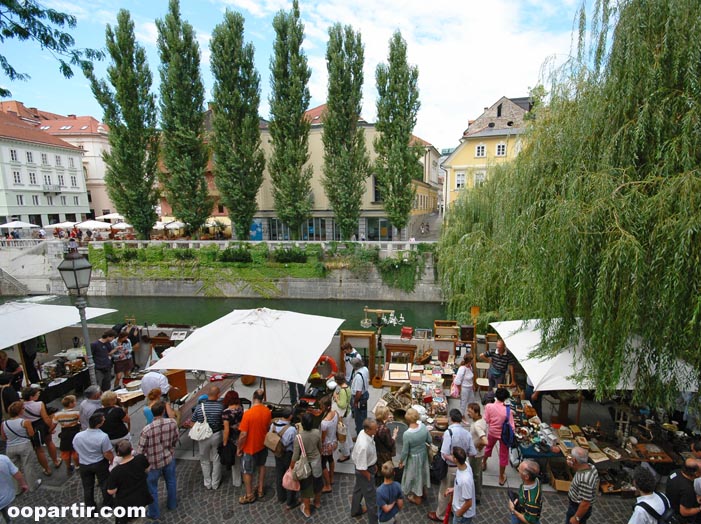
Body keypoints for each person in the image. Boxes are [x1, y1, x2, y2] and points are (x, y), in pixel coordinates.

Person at [430, 408, 477, 522]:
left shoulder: (449, 433)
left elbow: (444, 454)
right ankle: (452, 508)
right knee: (457, 490)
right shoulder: (467, 433)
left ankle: (440, 514)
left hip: (451, 467)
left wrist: (455, 459)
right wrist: (463, 457)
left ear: (451, 419)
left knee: (444, 491)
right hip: (463, 465)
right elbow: (473, 452)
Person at [136, 401, 178, 520]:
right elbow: (175, 439)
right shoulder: (172, 423)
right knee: (171, 481)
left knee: (152, 488)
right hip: (168, 458)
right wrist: (171, 449)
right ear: (163, 411)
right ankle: (172, 504)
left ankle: (154, 512)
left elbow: (140, 450)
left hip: (152, 463)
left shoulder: (147, 430)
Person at [237, 388, 272, 504]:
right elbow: (267, 427)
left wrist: (239, 448)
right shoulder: (267, 411)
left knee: (247, 471)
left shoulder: (248, 414)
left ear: (253, 398)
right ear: (262, 399)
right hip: (262, 445)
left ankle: (249, 494)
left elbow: (243, 435)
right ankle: (260, 489)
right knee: (261, 465)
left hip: (249, 448)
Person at [73, 412, 114, 508]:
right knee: (104, 484)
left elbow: (76, 449)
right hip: (99, 463)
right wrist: (112, 460)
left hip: (84, 464)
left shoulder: (78, 436)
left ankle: (90, 507)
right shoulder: (103, 437)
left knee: (87, 487)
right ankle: (108, 504)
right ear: (99, 424)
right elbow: (107, 453)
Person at [106, 440, 152, 524]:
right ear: (131, 449)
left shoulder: (116, 471)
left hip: (126, 504)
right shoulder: (141, 458)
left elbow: (111, 491)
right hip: (141, 497)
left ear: (118, 454)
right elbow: (147, 469)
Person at [20, 386, 61, 476]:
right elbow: (45, 417)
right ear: (31, 396)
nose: (38, 395)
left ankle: (47, 469)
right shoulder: (39, 404)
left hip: (30, 426)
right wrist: (51, 428)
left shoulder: (20, 405)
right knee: (49, 442)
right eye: (37, 394)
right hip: (41, 425)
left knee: (38, 449)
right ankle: (55, 461)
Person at [0, 401, 40, 492]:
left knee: (13, 468)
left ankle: (17, 489)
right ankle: (32, 485)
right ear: (20, 411)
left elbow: (3, 437)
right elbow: (31, 433)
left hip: (10, 447)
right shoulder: (25, 422)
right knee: (28, 465)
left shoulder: (4, 424)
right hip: (24, 445)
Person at [290, 413, 323, 518]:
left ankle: (307, 509)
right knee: (318, 482)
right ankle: (317, 502)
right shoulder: (317, 433)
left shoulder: (299, 437)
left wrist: (291, 467)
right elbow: (320, 448)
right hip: (316, 461)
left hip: (305, 464)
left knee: (306, 487)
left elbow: (295, 456)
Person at [191, 385, 223, 490]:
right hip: (216, 435)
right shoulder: (220, 407)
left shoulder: (200, 407)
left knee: (204, 459)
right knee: (216, 459)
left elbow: (193, 420)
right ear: (218, 395)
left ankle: (207, 482)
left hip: (203, 436)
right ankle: (215, 483)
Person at [483, 387, 514, 486]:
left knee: (488, 448)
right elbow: (512, 426)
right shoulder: (508, 411)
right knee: (503, 454)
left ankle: (483, 463)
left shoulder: (489, 406)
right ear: (505, 399)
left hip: (492, 432)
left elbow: (486, 420)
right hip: (504, 436)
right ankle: (501, 476)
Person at [399, 408, 431, 506]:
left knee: (415, 476)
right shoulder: (423, 427)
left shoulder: (407, 434)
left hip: (413, 458)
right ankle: (424, 492)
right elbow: (429, 440)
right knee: (422, 473)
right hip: (423, 455)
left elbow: (405, 451)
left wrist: (401, 461)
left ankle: (417, 498)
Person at [351, 418, 379, 523]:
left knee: (358, 490)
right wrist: (368, 476)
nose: (376, 431)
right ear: (367, 430)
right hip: (365, 471)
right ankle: (374, 521)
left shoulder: (363, 432)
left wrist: (373, 463)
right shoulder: (364, 445)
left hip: (367, 467)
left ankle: (355, 510)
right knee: (371, 498)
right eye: (374, 430)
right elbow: (361, 467)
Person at [270, 407, 297, 509]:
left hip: (277, 452)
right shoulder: (291, 429)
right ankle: (291, 500)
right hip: (287, 454)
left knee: (279, 473)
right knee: (289, 475)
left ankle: (281, 496)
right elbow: (295, 444)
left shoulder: (273, 424)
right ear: (290, 416)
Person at [566, 446, 600, 524]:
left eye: (571, 456)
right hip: (575, 506)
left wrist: (576, 518)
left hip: (577, 508)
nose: (569, 457)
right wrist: (572, 464)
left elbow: (586, 502)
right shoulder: (591, 467)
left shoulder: (585, 479)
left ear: (574, 460)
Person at [445, 446, 476, 524]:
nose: (451, 457)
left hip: (463, 516)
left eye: (452, 456)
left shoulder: (465, 480)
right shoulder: (465, 465)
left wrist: (458, 513)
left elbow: (468, 502)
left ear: (455, 459)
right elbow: (461, 487)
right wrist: (453, 489)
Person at [52, 394, 81, 474]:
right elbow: (80, 420)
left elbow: (53, 424)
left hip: (64, 432)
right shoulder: (76, 413)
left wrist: (51, 431)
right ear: (71, 404)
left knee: (65, 451)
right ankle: (77, 465)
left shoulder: (58, 415)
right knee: (75, 449)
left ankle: (68, 466)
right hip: (74, 431)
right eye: (74, 401)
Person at [667, 458, 701, 523]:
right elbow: (684, 512)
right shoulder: (687, 489)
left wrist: (694, 498)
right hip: (679, 517)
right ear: (696, 473)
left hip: (671, 504)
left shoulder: (674, 472)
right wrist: (699, 509)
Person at [509, 459, 542, 524]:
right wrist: (518, 499)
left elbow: (529, 521)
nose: (518, 469)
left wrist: (512, 510)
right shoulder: (536, 480)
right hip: (521, 508)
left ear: (526, 477)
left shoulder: (532, 501)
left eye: (519, 470)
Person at [222, 390, 244, 488]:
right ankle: (243, 475)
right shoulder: (240, 408)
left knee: (235, 461)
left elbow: (226, 430)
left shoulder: (226, 413)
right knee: (241, 458)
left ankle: (237, 482)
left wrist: (224, 442)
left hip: (232, 438)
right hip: (241, 435)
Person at [467, 403, 488, 505]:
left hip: (476, 454)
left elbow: (485, 441)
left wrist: (478, 446)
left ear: (476, 413)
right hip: (476, 453)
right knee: (477, 473)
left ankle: (476, 496)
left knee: (476, 475)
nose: (468, 414)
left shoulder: (477, 425)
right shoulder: (480, 420)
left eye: (470, 412)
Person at [0, 454, 29, 522]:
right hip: (6, 498)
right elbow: (17, 473)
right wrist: (23, 484)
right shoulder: (3, 459)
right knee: (7, 515)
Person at [373, 406, 398, 486]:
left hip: (376, 451)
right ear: (384, 415)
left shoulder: (374, 424)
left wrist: (386, 420)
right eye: (387, 414)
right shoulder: (384, 429)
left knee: (378, 467)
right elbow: (390, 443)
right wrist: (394, 435)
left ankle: (377, 481)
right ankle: (386, 482)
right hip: (384, 453)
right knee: (385, 468)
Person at [319, 399, 338, 493]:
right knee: (330, 458)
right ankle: (332, 478)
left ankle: (327, 485)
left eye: (321, 406)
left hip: (326, 444)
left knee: (323, 464)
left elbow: (323, 438)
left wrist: (319, 446)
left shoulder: (324, 423)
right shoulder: (335, 414)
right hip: (333, 441)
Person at [332, 373, 353, 462]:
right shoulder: (347, 387)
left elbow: (342, 405)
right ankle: (350, 446)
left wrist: (336, 399)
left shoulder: (342, 391)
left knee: (342, 435)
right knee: (347, 431)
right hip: (348, 413)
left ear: (337, 381)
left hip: (343, 416)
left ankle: (346, 454)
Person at [351, 357, 370, 438]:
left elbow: (358, 392)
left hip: (360, 398)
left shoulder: (358, 377)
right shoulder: (365, 369)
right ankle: (365, 431)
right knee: (364, 415)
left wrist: (355, 402)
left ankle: (360, 435)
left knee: (359, 419)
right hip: (365, 394)